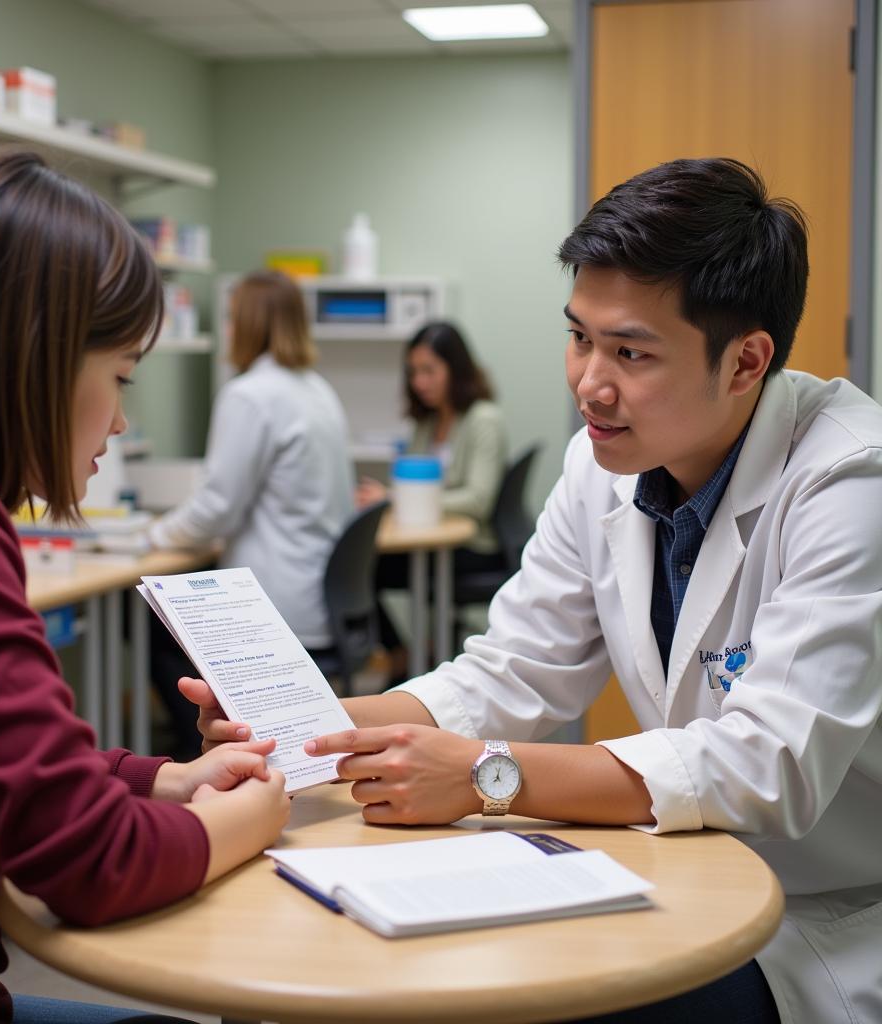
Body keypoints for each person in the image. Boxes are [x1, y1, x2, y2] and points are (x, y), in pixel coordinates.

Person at [193, 158, 882, 1023]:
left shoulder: (851, 481)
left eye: (630, 351)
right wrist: (319, 725)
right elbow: (513, 670)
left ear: (746, 362)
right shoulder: (604, 462)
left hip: (834, 915)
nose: (590, 382)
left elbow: (767, 762)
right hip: (685, 864)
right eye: (580, 336)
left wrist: (491, 779)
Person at [0, 146, 290, 1024]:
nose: (123, 419)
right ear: (35, 356)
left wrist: (162, 779)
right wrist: (255, 818)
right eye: (121, 376)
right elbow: (93, 865)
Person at [147, 269, 354, 757]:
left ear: (247, 323)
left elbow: (216, 508)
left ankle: (192, 761)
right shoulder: (317, 389)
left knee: (150, 636)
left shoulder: (249, 394)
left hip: (274, 603)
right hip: (319, 594)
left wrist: (152, 534)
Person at [357, 321, 509, 678]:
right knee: (362, 567)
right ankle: (403, 653)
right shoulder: (427, 423)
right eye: (413, 372)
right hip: (431, 541)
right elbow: (412, 479)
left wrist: (396, 498)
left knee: (371, 569)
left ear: (455, 370)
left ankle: (413, 659)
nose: (419, 382)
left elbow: (477, 500)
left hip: (473, 546)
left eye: (429, 371)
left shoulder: (484, 419)